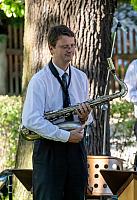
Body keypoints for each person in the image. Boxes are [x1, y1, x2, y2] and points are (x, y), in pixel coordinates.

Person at [22, 25, 92, 200]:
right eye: (64, 46)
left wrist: (85, 117)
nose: (70, 50)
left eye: (72, 45)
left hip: (76, 150)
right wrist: (65, 136)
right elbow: (31, 120)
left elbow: (85, 119)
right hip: (49, 151)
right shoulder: (39, 80)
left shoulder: (81, 77)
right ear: (51, 48)